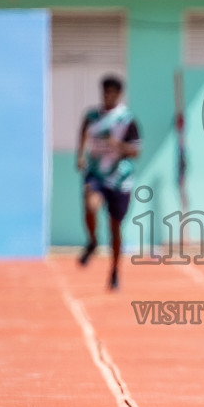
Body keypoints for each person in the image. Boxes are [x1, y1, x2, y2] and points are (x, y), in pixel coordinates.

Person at [77, 75, 141, 291]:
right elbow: (83, 132)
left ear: (118, 94)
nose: (108, 96)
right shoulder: (92, 115)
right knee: (90, 204)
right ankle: (93, 241)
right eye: (105, 92)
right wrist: (80, 155)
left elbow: (136, 151)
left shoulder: (127, 119)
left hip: (119, 179)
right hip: (96, 173)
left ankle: (114, 271)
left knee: (115, 227)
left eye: (112, 92)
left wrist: (118, 146)